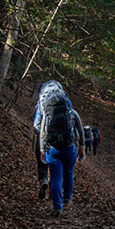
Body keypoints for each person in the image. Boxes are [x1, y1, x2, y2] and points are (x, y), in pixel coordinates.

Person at [35, 81, 85, 217]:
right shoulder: (72, 112)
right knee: (68, 174)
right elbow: (80, 129)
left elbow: (43, 133)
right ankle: (67, 198)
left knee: (56, 177)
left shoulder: (47, 113)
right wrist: (82, 146)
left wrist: (41, 150)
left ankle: (57, 207)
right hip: (70, 149)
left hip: (53, 149)